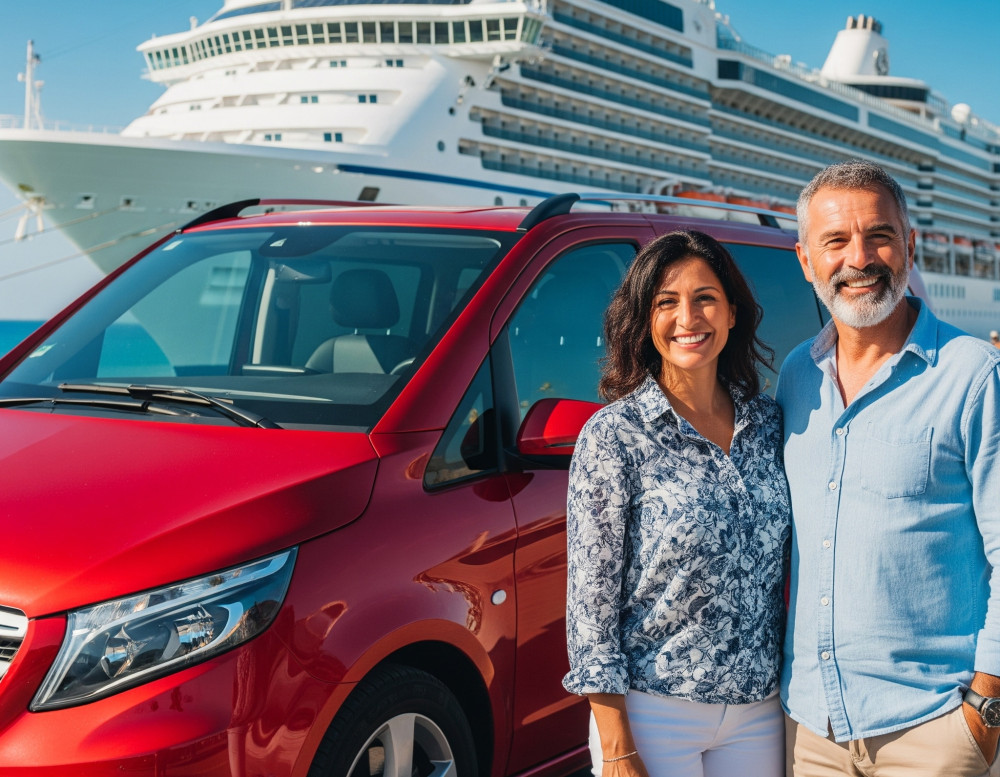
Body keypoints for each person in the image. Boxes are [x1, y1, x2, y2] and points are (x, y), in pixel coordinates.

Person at [779, 159, 1000, 776]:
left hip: (933, 726)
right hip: (811, 730)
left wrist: (986, 709)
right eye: (836, 241)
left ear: (909, 245)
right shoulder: (797, 376)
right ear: (805, 261)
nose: (860, 258)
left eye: (878, 235)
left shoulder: (972, 375)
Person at [563, 230, 791, 777]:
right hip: (654, 710)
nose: (688, 317)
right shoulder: (614, 436)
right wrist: (616, 745)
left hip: (758, 710)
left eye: (705, 298)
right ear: (645, 320)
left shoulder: (768, 425)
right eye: (667, 302)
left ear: (732, 314)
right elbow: (590, 607)